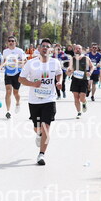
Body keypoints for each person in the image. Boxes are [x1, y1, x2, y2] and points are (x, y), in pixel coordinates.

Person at [19, 38, 63, 166]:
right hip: (34, 101)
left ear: (51, 50)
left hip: (49, 99)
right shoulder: (31, 63)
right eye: (43, 46)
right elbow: (21, 79)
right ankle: (38, 134)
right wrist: (33, 84)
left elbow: (59, 73)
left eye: (47, 46)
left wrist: (59, 81)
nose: (45, 48)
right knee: (37, 127)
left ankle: (41, 154)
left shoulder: (55, 63)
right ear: (39, 49)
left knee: (46, 127)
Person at [2, 36, 27, 118]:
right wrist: (1, 65)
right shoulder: (5, 51)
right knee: (8, 91)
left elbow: (25, 61)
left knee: (15, 92)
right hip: (8, 73)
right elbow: (4, 61)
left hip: (17, 73)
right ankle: (8, 111)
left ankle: (18, 103)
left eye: (13, 41)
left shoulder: (19, 51)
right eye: (9, 41)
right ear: (7, 42)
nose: (11, 42)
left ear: (15, 42)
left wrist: (18, 62)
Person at [67, 44, 93, 119]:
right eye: (76, 49)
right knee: (76, 97)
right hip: (75, 80)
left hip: (84, 80)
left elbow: (92, 66)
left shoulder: (86, 58)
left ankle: (84, 102)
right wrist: (69, 71)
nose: (77, 50)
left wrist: (90, 72)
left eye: (79, 48)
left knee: (81, 98)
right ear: (74, 50)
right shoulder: (72, 59)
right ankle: (79, 112)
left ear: (82, 50)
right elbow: (69, 69)